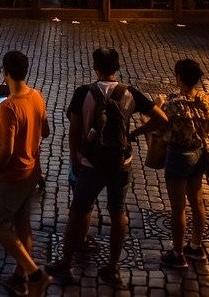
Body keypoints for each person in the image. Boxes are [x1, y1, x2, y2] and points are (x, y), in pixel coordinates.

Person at [50, 47, 163, 285]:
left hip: (91, 163)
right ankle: (112, 267)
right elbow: (161, 118)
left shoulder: (83, 93)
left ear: (95, 67)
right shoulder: (130, 93)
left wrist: (75, 160)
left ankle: (66, 263)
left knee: (78, 211)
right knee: (118, 212)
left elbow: (74, 133)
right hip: (121, 162)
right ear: (117, 67)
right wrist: (134, 133)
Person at [0, 49, 50, 297]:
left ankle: (34, 273)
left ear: (5, 74)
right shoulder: (37, 96)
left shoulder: (8, 108)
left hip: (11, 176)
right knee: (23, 224)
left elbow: (6, 150)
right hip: (32, 172)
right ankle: (20, 275)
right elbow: (45, 131)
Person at [153, 59, 209, 269]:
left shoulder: (173, 104)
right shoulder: (206, 99)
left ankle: (177, 254)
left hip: (178, 157)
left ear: (179, 78)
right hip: (198, 153)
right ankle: (195, 246)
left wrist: (158, 106)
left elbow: (159, 129)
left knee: (178, 208)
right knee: (197, 202)